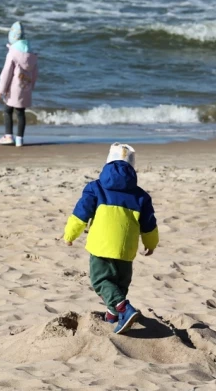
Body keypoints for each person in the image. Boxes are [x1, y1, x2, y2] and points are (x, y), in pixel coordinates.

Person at [62, 143, 159, 334]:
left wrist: (70, 234)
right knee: (120, 283)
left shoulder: (96, 188)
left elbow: (81, 214)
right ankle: (113, 315)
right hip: (126, 250)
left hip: (101, 246)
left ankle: (123, 308)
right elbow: (149, 223)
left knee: (101, 281)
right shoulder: (140, 196)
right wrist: (151, 243)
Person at [0, 21, 38, 147]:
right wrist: (32, 86)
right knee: (21, 112)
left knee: (7, 110)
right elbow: (35, 73)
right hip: (25, 88)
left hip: (13, 89)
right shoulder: (31, 55)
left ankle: (8, 136)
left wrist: (0, 90)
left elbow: (6, 73)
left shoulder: (13, 53)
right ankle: (20, 139)